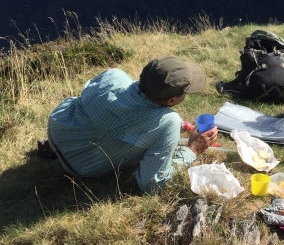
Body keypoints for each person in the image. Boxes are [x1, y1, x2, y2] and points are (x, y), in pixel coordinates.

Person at [45, 55, 218, 193]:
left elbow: (122, 109)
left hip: (58, 126)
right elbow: (151, 184)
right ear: (172, 100)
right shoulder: (167, 123)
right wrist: (193, 149)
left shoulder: (114, 75)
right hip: (79, 164)